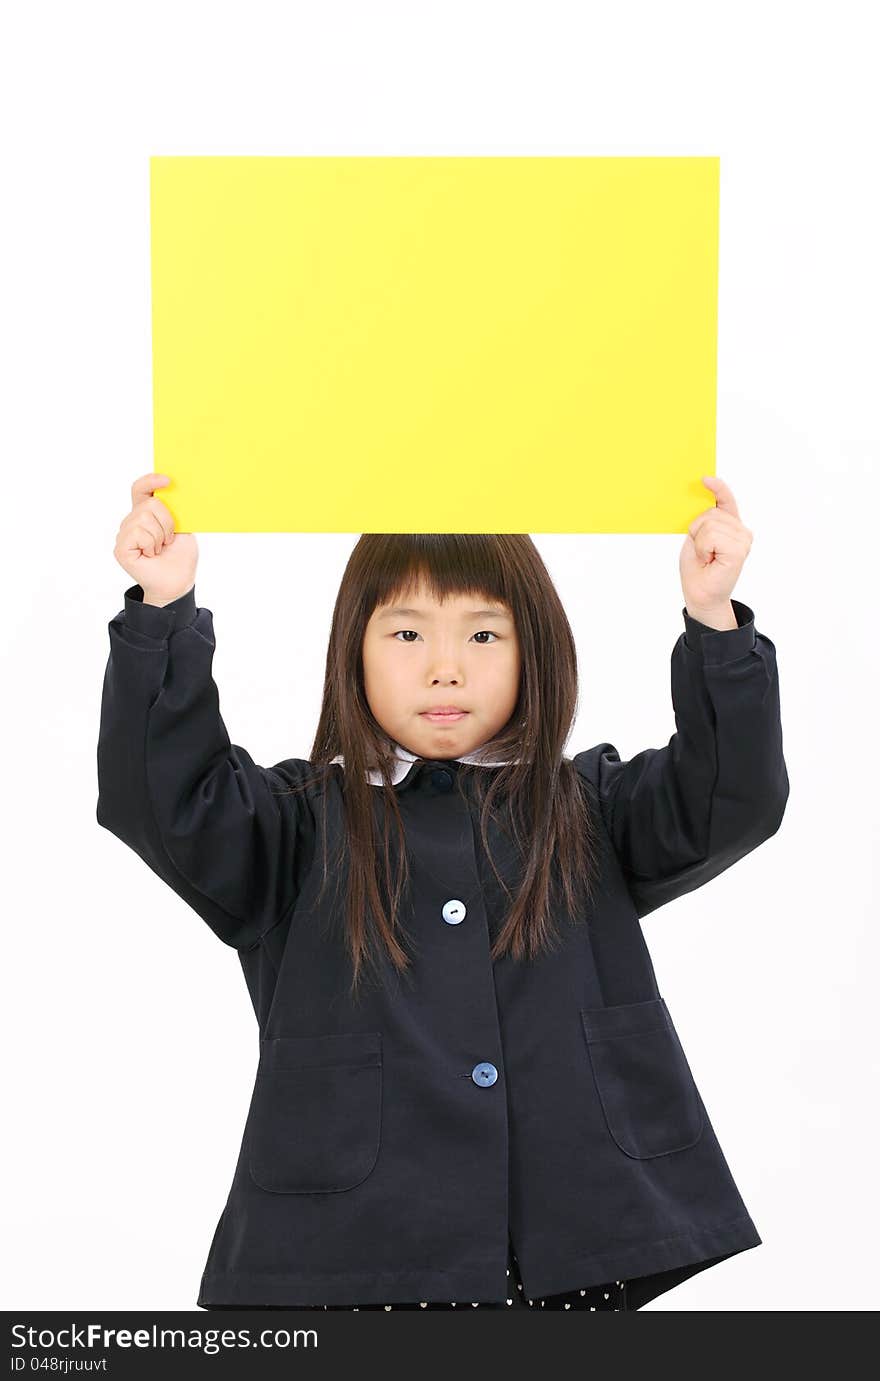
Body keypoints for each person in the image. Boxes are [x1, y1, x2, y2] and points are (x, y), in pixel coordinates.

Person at [96, 472, 789, 1311]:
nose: (446, 668)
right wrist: (162, 612)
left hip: (571, 1247)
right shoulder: (294, 825)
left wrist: (714, 620)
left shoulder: (591, 807)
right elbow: (159, 799)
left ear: (537, 651)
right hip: (351, 1251)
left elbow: (735, 796)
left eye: (485, 635)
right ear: (353, 649)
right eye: (407, 632)